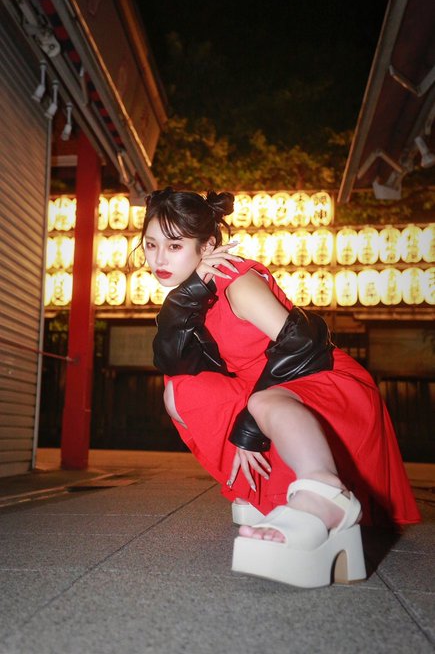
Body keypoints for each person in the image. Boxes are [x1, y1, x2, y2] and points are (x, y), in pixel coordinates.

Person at [140, 187, 420, 588]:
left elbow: (301, 344)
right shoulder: (195, 293)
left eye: (175, 245)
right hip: (270, 391)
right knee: (180, 391)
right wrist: (187, 297)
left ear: (208, 247)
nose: (159, 259)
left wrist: (250, 424)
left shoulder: (237, 281)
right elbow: (173, 362)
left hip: (321, 378)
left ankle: (325, 496)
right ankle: (265, 492)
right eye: (151, 245)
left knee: (263, 403)